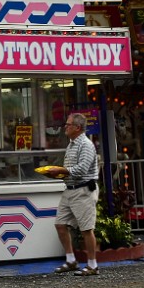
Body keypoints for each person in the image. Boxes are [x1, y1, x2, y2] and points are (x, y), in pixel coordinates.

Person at [42, 112, 100, 276]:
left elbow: (82, 169)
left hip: (83, 190)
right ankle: (71, 260)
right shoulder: (72, 144)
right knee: (60, 225)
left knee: (86, 229)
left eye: (68, 125)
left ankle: (92, 265)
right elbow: (72, 169)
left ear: (77, 127)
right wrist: (58, 173)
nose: (65, 127)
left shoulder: (86, 145)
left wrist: (61, 171)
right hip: (70, 189)